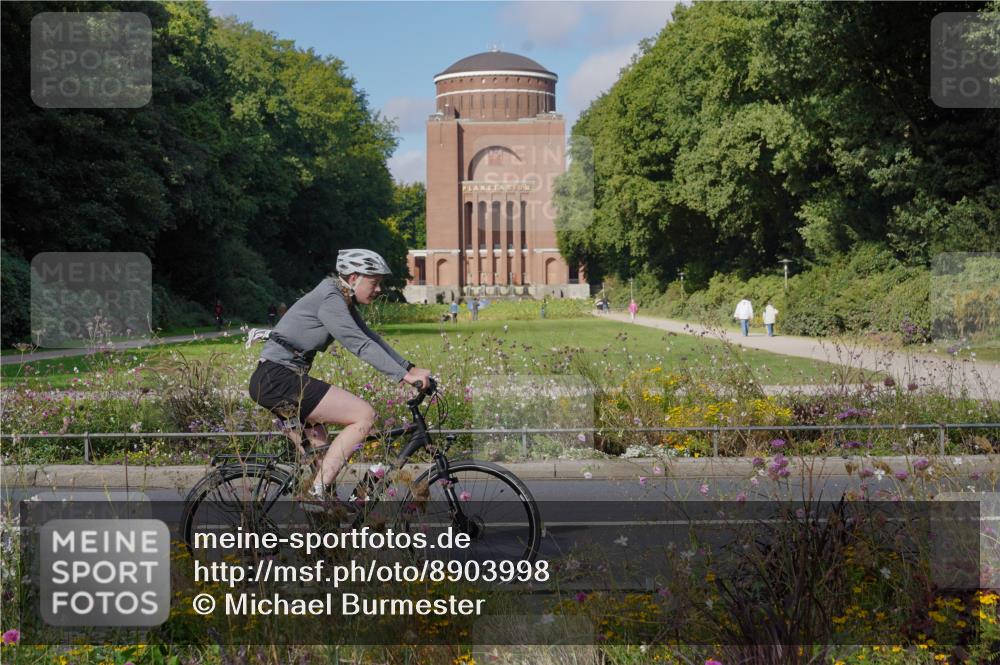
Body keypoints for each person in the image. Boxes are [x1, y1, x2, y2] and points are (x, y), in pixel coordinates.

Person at [247, 249, 432, 505]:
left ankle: (325, 521)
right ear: (354, 277)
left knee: (324, 467)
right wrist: (404, 377)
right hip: (278, 379)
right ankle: (315, 494)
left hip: (278, 379)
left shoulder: (340, 296)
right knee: (363, 415)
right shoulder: (330, 298)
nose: (379, 289)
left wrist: (409, 369)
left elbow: (370, 338)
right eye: (374, 282)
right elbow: (359, 345)